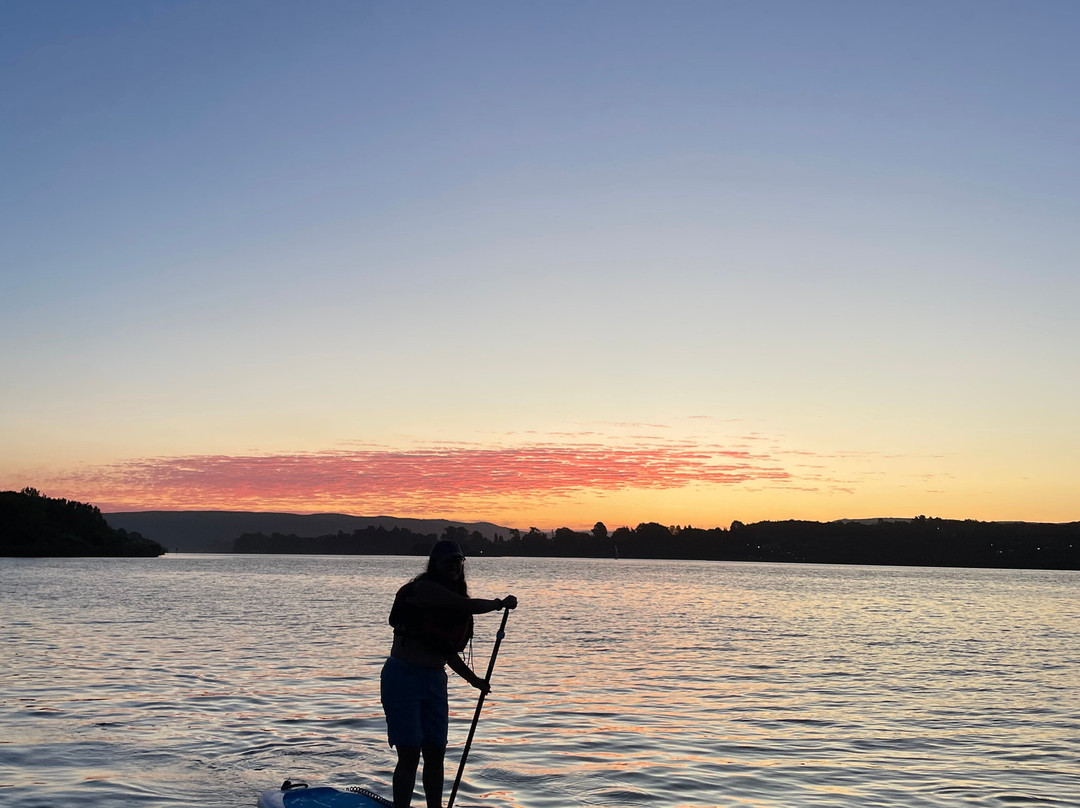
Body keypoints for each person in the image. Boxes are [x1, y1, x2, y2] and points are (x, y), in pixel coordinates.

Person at [381, 539, 518, 808]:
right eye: (449, 562)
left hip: (433, 680)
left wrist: (475, 681)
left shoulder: (451, 601)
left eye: (458, 562)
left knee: (435, 752)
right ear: (435, 565)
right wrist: (499, 603)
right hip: (402, 678)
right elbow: (464, 606)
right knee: (409, 753)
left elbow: (446, 653)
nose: (454, 567)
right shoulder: (425, 590)